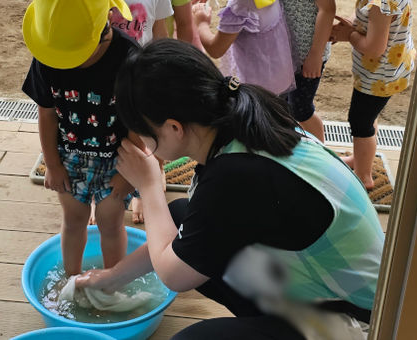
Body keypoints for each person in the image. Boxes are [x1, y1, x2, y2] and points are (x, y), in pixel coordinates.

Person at [75, 39, 384, 339]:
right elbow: (185, 241)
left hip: (364, 321)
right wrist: (111, 278)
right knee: (181, 215)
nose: (144, 144)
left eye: (144, 134)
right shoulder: (243, 112)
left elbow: (174, 275)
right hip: (332, 288)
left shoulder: (236, 176)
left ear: (173, 128)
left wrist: (150, 186)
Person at [21, 0, 142, 275]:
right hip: (69, 157)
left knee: (110, 221)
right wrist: (52, 164)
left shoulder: (129, 58)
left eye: (73, 55)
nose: (64, 64)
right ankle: (71, 280)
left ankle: (112, 282)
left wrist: (129, 173)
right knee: (74, 218)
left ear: (105, 28)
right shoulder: (47, 56)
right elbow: (47, 114)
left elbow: (137, 120)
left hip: (117, 158)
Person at [331, 0, 414, 190]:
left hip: (378, 76)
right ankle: (359, 158)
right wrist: (350, 25)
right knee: (368, 115)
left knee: (360, 122)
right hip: (383, 71)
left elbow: (374, 48)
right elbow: (365, 18)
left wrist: (349, 35)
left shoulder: (381, 5)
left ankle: (363, 176)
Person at [111, 0, 174, 224]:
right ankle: (98, 194)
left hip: (141, 74)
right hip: (103, 75)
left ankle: (146, 185)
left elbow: (160, 32)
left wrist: (164, 73)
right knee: (107, 132)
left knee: (149, 129)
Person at [192, 0, 295, 95]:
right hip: (280, 73)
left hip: (255, 86)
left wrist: (201, 24)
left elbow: (215, 50)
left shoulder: (238, 7)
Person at [280, 0, 336, 142]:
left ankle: (322, 156)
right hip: (284, 52)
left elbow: (328, 10)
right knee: (283, 105)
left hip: (307, 56)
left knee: (301, 110)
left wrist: (316, 54)